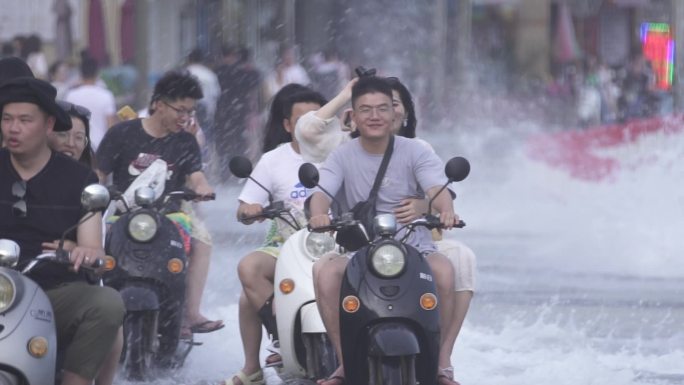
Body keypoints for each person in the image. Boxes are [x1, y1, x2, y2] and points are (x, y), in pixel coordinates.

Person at [307, 76, 460, 385]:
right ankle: (345, 362)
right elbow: (322, 192)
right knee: (325, 270)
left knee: (443, 271)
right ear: (353, 116)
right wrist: (319, 215)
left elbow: (436, 187)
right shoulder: (341, 156)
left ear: (394, 114)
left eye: (382, 109)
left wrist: (446, 210)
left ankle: (441, 363)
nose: (374, 116)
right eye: (365, 109)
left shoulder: (416, 151)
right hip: (359, 250)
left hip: (414, 248)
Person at [0, 73, 125, 385]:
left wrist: (82, 252)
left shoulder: (80, 180)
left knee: (107, 303)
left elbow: (94, 250)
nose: (13, 128)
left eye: (25, 120)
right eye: (7, 119)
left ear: (49, 125)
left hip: (54, 292)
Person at [95, 69, 223, 337]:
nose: (186, 118)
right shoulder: (121, 133)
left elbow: (196, 176)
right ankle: (94, 309)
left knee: (201, 242)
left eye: (190, 112)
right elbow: (97, 174)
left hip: (170, 218)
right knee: (94, 249)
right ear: (158, 104)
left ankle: (190, 313)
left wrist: (203, 188)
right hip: (122, 216)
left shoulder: (186, 141)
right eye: (180, 110)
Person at [223, 84, 327, 385]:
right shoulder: (273, 160)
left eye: (317, 120)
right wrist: (251, 210)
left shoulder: (342, 153)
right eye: (302, 120)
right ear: (287, 125)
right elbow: (244, 206)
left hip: (338, 245)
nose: (310, 127)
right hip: (289, 245)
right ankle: (283, 336)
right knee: (249, 268)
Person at [46, 99, 124, 385]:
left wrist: (80, 252)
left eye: (79, 137)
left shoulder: (88, 187)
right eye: (65, 135)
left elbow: (95, 254)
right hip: (20, 281)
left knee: (111, 316)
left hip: (75, 280)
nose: (71, 143)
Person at [214, 45, 261, 177]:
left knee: (222, 143)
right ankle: (238, 171)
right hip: (239, 112)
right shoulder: (244, 72)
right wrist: (251, 111)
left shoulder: (217, 72)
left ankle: (224, 171)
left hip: (222, 112)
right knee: (239, 141)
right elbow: (251, 93)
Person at [65, 56, 116, 151]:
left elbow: (67, 123)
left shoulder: (71, 95)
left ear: (80, 74)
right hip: (100, 145)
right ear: (97, 73)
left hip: (77, 145)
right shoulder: (106, 95)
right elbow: (111, 127)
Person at [185, 47, 220, 133]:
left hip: (186, 111)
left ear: (189, 59)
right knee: (204, 135)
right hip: (204, 110)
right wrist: (211, 112)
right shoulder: (209, 75)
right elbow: (215, 95)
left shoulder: (184, 73)